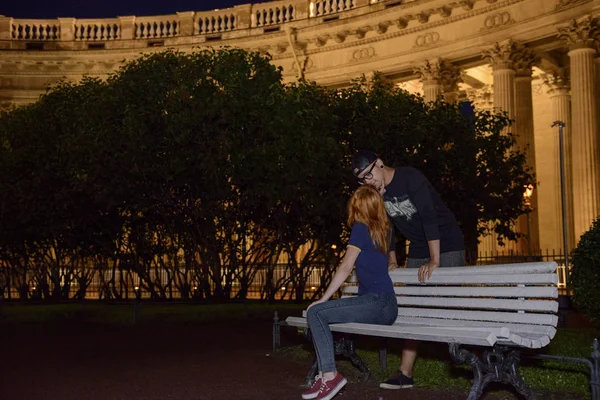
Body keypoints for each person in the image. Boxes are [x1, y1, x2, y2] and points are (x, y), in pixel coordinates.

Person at [352, 149, 465, 390]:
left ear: (380, 163)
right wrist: (392, 258)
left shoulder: (410, 178)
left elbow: (428, 217)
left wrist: (435, 260)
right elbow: (387, 226)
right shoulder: (379, 193)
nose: (367, 182)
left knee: (454, 304)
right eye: (362, 179)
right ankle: (405, 373)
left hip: (446, 242)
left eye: (369, 175)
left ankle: (472, 355)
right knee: (413, 306)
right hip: (419, 246)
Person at [302, 185, 398, 400]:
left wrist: (323, 299)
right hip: (386, 306)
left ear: (357, 207)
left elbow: (345, 267)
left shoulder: (361, 228)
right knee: (319, 315)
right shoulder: (383, 229)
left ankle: (330, 376)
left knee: (316, 313)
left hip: (376, 302)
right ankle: (325, 376)